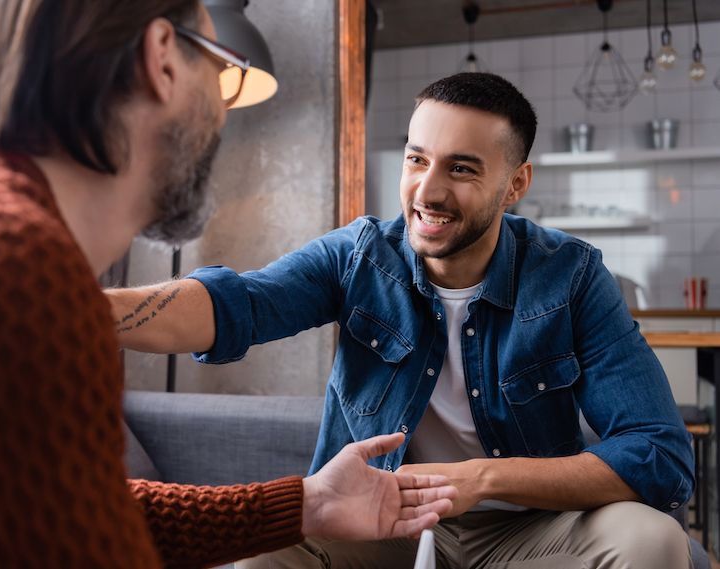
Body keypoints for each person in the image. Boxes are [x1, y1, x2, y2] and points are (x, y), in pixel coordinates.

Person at [0, 1, 459, 567]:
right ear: (163, 59)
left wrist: (308, 504)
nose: (224, 110)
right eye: (223, 71)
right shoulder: (8, 269)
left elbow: (81, 509)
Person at [108, 72, 696, 569]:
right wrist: (79, 306)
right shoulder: (360, 256)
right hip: (379, 520)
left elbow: (659, 453)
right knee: (260, 554)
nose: (428, 190)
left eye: (462, 169)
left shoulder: (570, 276)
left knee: (652, 540)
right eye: (417, 159)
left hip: (530, 532)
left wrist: (481, 481)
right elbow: (239, 305)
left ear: (515, 183)